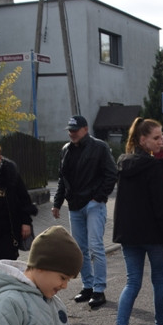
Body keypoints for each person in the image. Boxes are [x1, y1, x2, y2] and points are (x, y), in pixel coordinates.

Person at [109, 118, 163, 325]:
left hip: (129, 234)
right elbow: (161, 208)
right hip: (154, 234)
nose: (162, 142)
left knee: (132, 282)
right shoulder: (152, 166)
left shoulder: (123, 163)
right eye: (157, 138)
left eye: (162, 137)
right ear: (142, 140)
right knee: (158, 279)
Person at [51, 115, 117, 309]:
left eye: (75, 129)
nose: (72, 133)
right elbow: (62, 178)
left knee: (96, 246)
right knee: (80, 249)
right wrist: (56, 203)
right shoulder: (66, 150)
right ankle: (88, 286)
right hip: (75, 205)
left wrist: (98, 197)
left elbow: (111, 173)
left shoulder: (99, 147)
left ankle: (99, 290)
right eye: (70, 130)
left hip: (93, 204)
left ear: (85, 129)